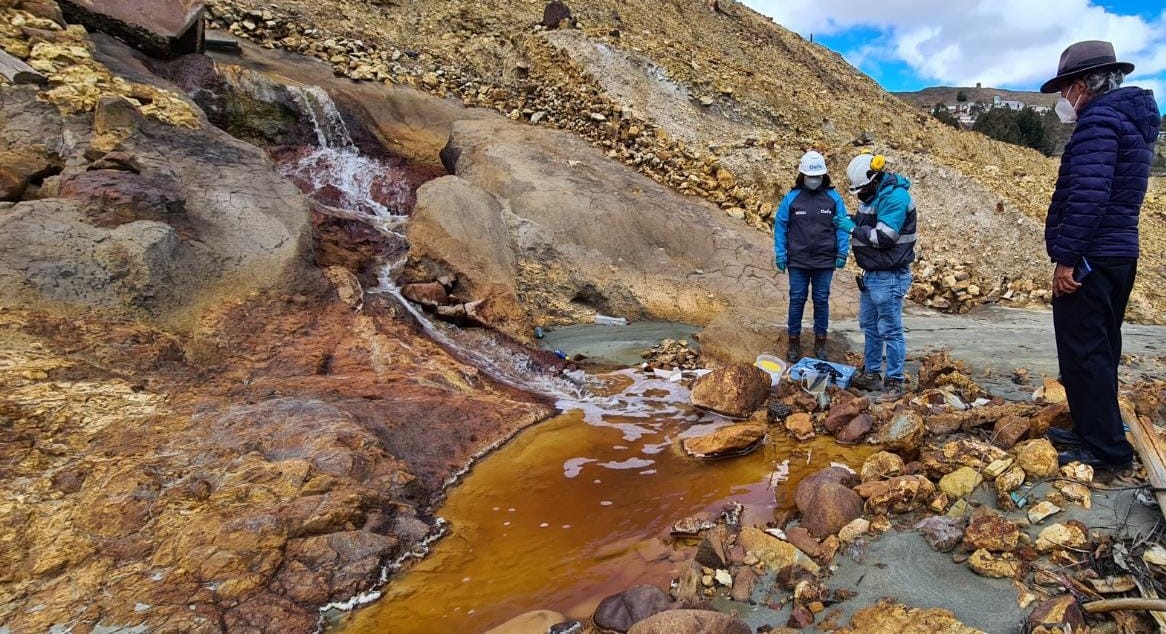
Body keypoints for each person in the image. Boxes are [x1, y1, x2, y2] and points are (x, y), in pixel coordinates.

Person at [1038, 40, 1159, 470]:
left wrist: (1067, 258)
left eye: (1064, 90)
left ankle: (1106, 451)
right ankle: (1094, 429)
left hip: (1091, 256)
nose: (1063, 101)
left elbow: (1089, 197)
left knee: (1084, 351)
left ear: (1081, 86)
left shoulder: (1099, 123)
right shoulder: (1129, 122)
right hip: (1118, 252)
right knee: (1101, 347)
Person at [834, 152, 916, 401]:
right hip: (872, 274)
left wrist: (852, 229)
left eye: (862, 188)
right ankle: (871, 374)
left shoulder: (895, 197)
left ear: (874, 179)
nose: (859, 194)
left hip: (889, 274)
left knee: (890, 330)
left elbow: (884, 238)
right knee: (870, 326)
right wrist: (851, 219)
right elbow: (866, 221)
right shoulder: (873, 195)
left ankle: (894, 381)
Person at [773, 151, 850, 361]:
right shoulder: (792, 199)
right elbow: (780, 226)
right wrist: (780, 254)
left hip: (825, 261)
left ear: (823, 176)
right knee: (797, 299)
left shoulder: (834, 199)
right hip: (798, 260)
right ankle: (794, 341)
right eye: (810, 176)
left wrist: (842, 252)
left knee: (821, 300)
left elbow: (843, 226)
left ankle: (821, 342)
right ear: (803, 175)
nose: (814, 180)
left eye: (817, 176)